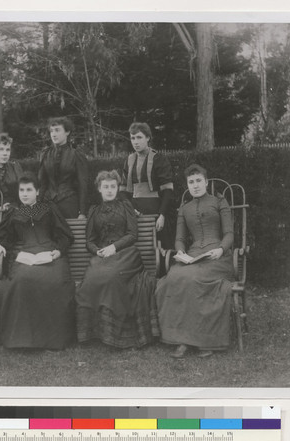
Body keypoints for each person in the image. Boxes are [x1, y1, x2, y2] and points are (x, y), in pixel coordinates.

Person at [155, 164, 234, 359]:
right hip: (193, 256)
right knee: (173, 277)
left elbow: (229, 234)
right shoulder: (185, 208)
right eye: (191, 182)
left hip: (218, 257)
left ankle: (203, 340)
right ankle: (182, 339)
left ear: (206, 182)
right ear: (187, 185)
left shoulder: (219, 202)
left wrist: (221, 249)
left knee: (194, 278)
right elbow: (180, 238)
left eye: (199, 181)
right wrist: (181, 251)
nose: (195, 185)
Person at [0, 172, 76, 349]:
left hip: (50, 253)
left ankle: (52, 339)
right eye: (22, 190)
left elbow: (65, 235)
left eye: (29, 190)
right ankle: (22, 339)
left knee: (54, 280)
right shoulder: (14, 212)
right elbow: (4, 237)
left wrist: (58, 252)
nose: (25, 193)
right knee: (21, 280)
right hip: (24, 254)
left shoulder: (48, 209)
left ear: (37, 192)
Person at [75, 170, 158, 348]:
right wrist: (97, 251)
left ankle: (117, 335)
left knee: (112, 277)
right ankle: (94, 333)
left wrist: (114, 247)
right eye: (106, 187)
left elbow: (132, 234)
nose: (110, 190)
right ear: (99, 189)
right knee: (91, 279)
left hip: (126, 253)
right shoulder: (94, 211)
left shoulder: (126, 205)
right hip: (103, 254)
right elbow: (89, 241)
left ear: (117, 188)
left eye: (113, 186)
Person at [120, 122, 175, 249]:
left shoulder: (159, 158)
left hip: (155, 210)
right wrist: (129, 209)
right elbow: (123, 190)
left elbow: (168, 190)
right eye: (133, 138)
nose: (135, 142)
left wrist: (162, 215)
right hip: (135, 211)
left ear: (148, 138)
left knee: (159, 246)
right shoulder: (129, 160)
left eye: (139, 137)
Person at [38, 117, 89, 219]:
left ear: (67, 132)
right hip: (47, 203)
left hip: (69, 203)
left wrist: (82, 212)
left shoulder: (76, 155)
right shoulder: (45, 154)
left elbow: (83, 184)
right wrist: (37, 206)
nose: (53, 134)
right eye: (52, 131)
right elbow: (42, 184)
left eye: (57, 130)